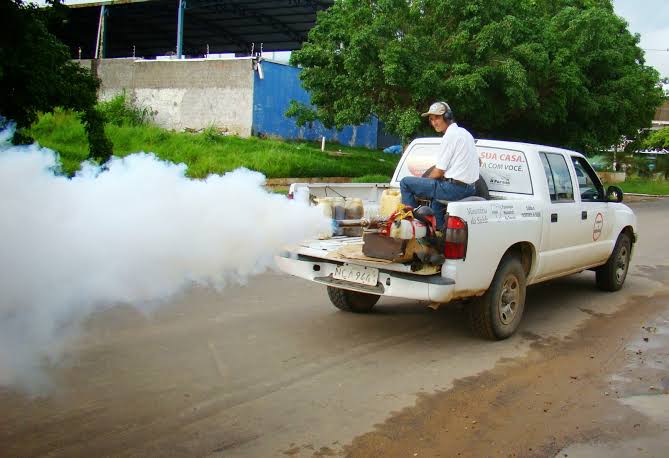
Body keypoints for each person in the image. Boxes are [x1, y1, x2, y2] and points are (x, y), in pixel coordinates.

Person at [400, 101, 479, 229]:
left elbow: (438, 172)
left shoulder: (450, 136)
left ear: (447, 117)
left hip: (454, 189)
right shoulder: (465, 133)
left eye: (437, 118)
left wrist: (421, 184)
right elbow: (478, 161)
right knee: (436, 204)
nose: (434, 122)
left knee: (405, 183)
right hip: (470, 188)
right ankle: (440, 232)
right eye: (431, 119)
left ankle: (412, 225)